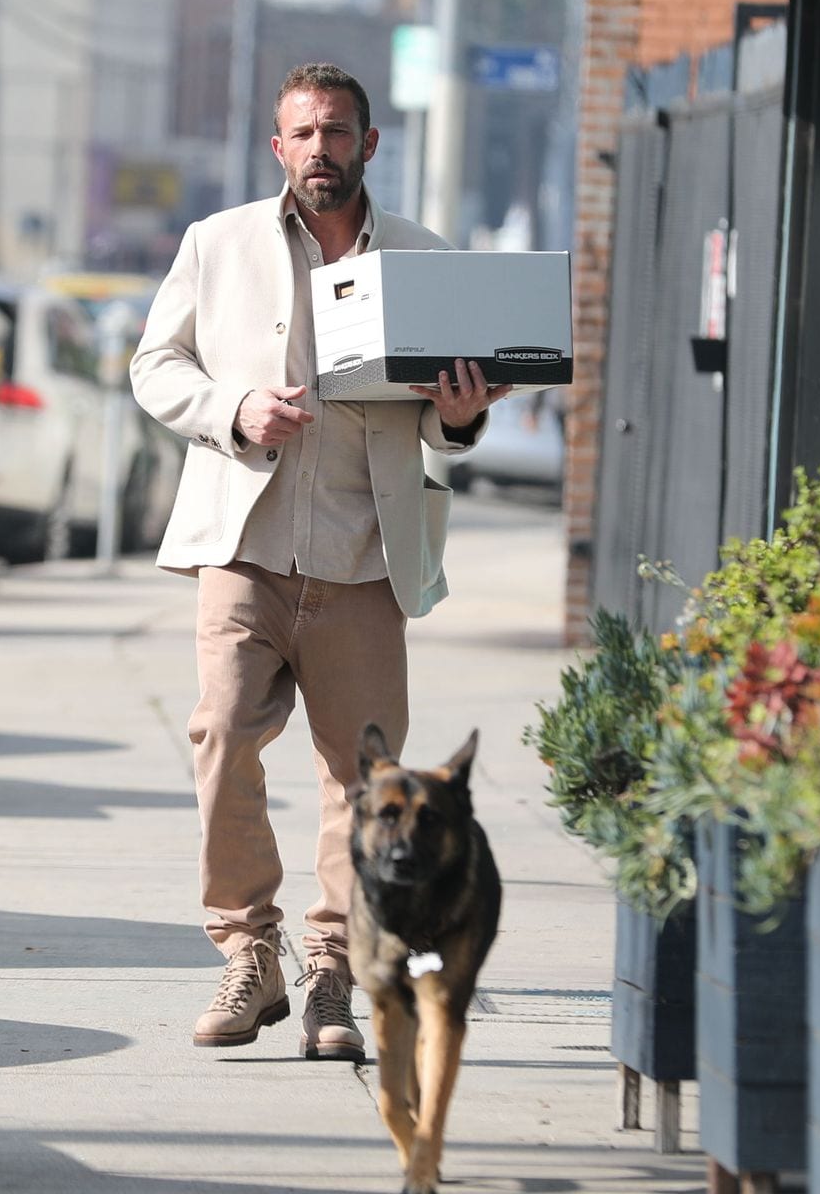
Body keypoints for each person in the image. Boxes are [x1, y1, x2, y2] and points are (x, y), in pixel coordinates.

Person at [130, 62, 511, 1063]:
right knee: (220, 741)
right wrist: (235, 411)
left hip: (363, 559)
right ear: (277, 146)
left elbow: (445, 410)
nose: (319, 150)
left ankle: (331, 970)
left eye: (336, 133)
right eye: (301, 133)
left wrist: (459, 414)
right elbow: (153, 364)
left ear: (368, 145)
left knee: (362, 781)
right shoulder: (215, 245)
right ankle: (248, 952)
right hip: (245, 550)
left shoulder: (425, 257)